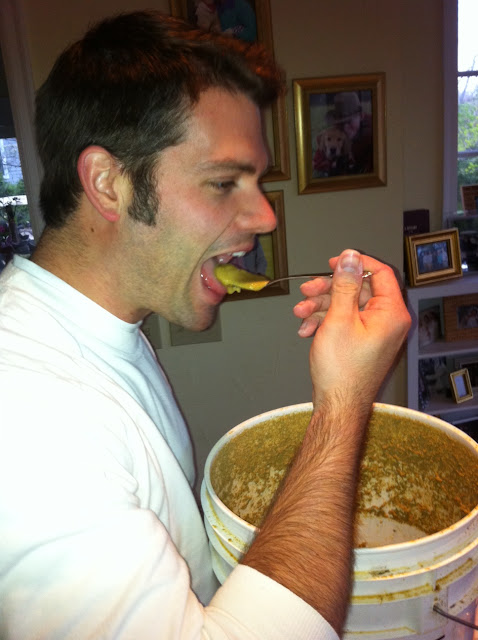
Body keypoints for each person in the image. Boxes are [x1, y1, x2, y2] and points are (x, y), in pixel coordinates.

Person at [0, 10, 411, 640]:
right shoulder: (29, 418)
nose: (266, 218)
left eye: (256, 181)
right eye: (223, 182)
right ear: (108, 184)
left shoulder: (99, 331)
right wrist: (344, 402)